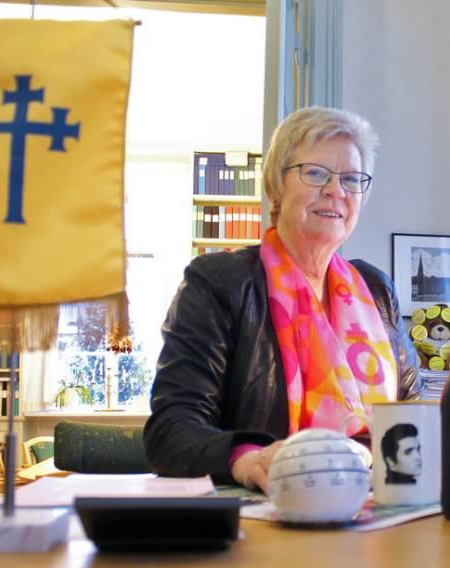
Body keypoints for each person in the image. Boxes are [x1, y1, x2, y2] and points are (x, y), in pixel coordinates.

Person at [144, 107, 420, 493]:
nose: (336, 190)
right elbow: (171, 431)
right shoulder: (219, 282)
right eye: (316, 173)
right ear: (276, 187)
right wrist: (247, 460)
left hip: (374, 506)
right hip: (265, 508)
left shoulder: (377, 290)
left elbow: (414, 420)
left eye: (351, 179)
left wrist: (362, 453)